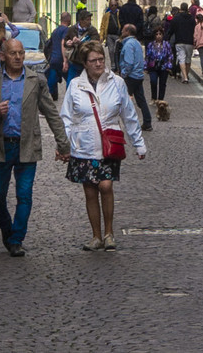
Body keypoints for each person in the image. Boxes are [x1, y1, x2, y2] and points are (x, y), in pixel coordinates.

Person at [0, 31, 69, 257]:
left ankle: (16, 239)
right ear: (3, 56)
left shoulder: (36, 81)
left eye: (21, 53)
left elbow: (51, 113)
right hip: (0, 145)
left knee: (24, 195)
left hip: (27, 145)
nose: (18, 57)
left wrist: (63, 143)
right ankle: (7, 230)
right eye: (13, 53)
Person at [61, 35, 146, 250]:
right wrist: (65, 144)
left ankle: (109, 232)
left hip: (109, 144)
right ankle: (96, 236)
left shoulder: (116, 83)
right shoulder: (75, 85)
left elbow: (129, 114)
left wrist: (138, 143)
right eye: (93, 60)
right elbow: (67, 117)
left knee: (106, 186)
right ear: (85, 63)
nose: (98, 63)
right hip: (83, 145)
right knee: (90, 191)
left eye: (101, 59)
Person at [116, 23, 152, 129]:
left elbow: (129, 62)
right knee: (141, 100)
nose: (121, 31)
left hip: (131, 76)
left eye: (123, 30)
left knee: (122, 100)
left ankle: (125, 123)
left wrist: (123, 74)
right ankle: (147, 121)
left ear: (127, 32)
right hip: (138, 75)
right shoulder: (136, 43)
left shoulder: (128, 45)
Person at [45, 14, 73, 100]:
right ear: (69, 20)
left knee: (52, 80)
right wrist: (65, 61)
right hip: (61, 59)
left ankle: (46, 97)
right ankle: (70, 98)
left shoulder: (55, 30)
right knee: (70, 79)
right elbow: (63, 43)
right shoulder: (66, 30)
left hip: (54, 59)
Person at [169, 0, 196, 81]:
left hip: (179, 41)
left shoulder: (176, 19)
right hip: (189, 41)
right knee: (188, 59)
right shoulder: (192, 19)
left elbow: (171, 30)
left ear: (180, 9)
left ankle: (185, 77)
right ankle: (186, 75)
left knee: (181, 58)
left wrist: (167, 38)